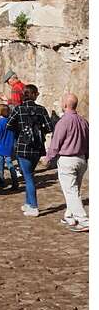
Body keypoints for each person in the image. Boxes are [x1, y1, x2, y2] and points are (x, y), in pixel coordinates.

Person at [42, 93, 89, 232]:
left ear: (65, 105)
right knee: (74, 190)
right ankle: (70, 216)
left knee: (71, 191)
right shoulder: (83, 121)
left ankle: (84, 220)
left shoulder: (63, 122)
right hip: (81, 159)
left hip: (68, 159)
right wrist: (86, 157)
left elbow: (56, 143)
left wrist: (48, 158)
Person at [6, 84, 53, 217]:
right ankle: (28, 203)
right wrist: (38, 131)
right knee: (30, 175)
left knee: (28, 177)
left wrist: (22, 131)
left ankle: (34, 206)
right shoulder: (41, 110)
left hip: (23, 145)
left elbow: (9, 125)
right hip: (37, 146)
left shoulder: (19, 109)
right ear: (34, 94)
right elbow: (49, 127)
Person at [0, 103, 18, 190]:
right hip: (9, 145)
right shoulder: (11, 121)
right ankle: (15, 180)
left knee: (0, 164)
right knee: (10, 163)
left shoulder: (1, 122)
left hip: (0, 145)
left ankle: (1, 180)